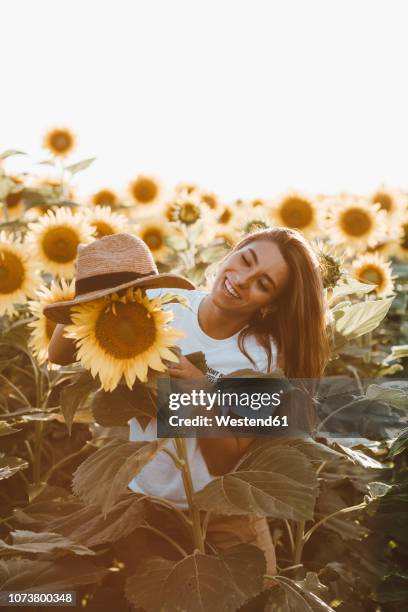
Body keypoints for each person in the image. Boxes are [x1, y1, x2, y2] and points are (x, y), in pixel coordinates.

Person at [47, 228, 330, 578]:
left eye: (263, 284)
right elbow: (58, 354)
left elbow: (224, 463)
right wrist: (92, 289)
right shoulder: (162, 303)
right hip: (146, 504)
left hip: (221, 515)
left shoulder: (261, 359)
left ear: (269, 304)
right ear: (231, 254)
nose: (241, 280)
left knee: (255, 595)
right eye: (245, 260)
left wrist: (198, 387)